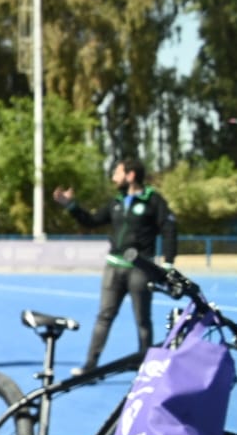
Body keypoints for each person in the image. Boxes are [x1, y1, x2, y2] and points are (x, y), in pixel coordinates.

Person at [53, 158, 178, 375]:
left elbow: (169, 229)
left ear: (130, 175)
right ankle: (90, 367)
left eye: (117, 173)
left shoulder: (153, 201)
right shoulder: (116, 202)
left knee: (142, 320)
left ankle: (147, 367)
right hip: (113, 268)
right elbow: (91, 221)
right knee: (104, 317)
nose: (113, 178)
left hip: (141, 268)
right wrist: (71, 206)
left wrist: (167, 263)